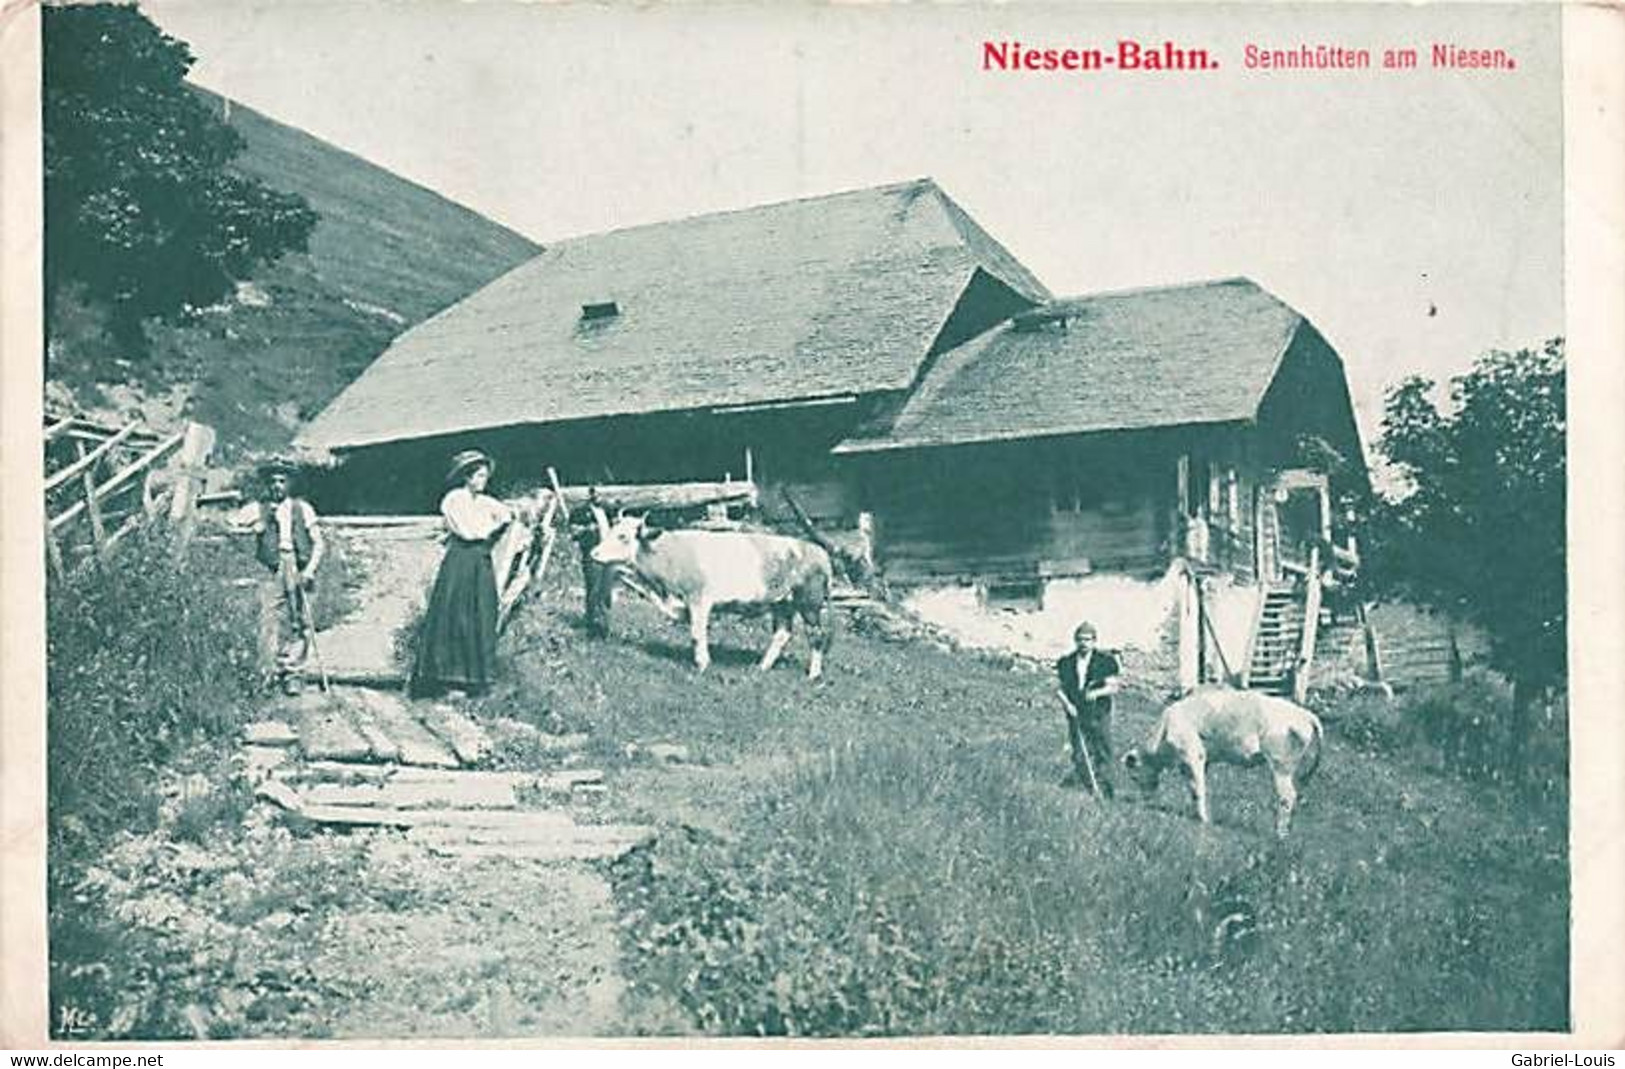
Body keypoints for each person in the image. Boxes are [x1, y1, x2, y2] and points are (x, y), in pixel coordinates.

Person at [410, 449, 514, 699]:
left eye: (485, 476)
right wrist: (490, 527)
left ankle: (476, 679)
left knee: (481, 612)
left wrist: (499, 523)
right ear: (466, 477)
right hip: (460, 559)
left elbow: (507, 515)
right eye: (478, 476)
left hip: (480, 560)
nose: (482, 481)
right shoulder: (454, 500)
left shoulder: (486, 502)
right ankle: (447, 677)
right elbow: (469, 532)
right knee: (454, 611)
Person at [231, 457, 325, 696]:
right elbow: (230, 525)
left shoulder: (302, 508)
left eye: (282, 481)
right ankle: (267, 672)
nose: (277, 486)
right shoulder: (257, 508)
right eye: (272, 481)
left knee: (300, 620)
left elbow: (319, 543)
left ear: (290, 484)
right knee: (268, 618)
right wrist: (259, 526)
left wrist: (310, 570)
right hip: (272, 567)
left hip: (298, 563)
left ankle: (293, 672)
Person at [1056, 620, 1122, 797]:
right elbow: (1059, 689)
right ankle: (1085, 786)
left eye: (1087, 639)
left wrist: (1098, 693)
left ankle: (1106, 788)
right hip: (1076, 712)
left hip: (1099, 712)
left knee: (1103, 748)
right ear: (1075, 640)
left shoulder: (1105, 661)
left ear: (1094, 641)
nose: (1084, 643)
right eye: (1080, 639)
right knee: (1079, 750)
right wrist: (1068, 705)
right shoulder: (1066, 662)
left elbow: (1113, 687)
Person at [571, 491, 614, 638]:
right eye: (595, 493)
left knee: (606, 591)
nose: (599, 496)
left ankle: (605, 626)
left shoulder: (608, 511)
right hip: (593, 555)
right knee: (594, 591)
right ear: (590, 495)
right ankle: (593, 627)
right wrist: (588, 530)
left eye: (601, 493)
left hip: (608, 555)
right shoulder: (581, 512)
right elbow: (574, 533)